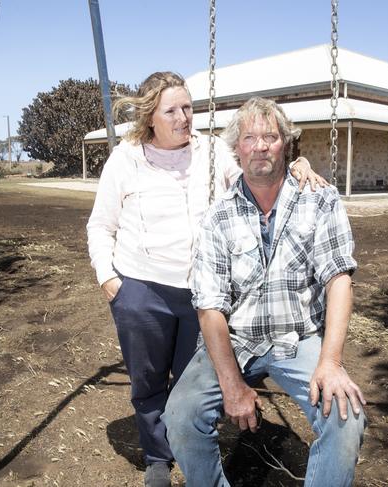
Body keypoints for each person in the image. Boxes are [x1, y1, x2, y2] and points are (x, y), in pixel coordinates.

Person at [86, 72, 326, 487]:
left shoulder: (211, 150)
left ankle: (192, 449)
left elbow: (258, 175)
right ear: (150, 118)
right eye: (172, 111)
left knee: (189, 385)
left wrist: (295, 164)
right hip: (141, 289)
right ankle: (157, 460)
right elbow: (100, 225)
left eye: (187, 107)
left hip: (203, 293)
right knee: (147, 380)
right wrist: (110, 280)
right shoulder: (125, 159)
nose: (184, 118)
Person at [163, 97, 366, 487]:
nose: (260, 145)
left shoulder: (320, 201)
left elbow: (338, 279)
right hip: (235, 340)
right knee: (181, 415)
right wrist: (231, 383)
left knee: (346, 417)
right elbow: (209, 307)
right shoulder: (218, 216)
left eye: (270, 136)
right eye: (250, 137)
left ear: (285, 144)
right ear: (237, 147)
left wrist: (331, 362)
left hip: (299, 338)